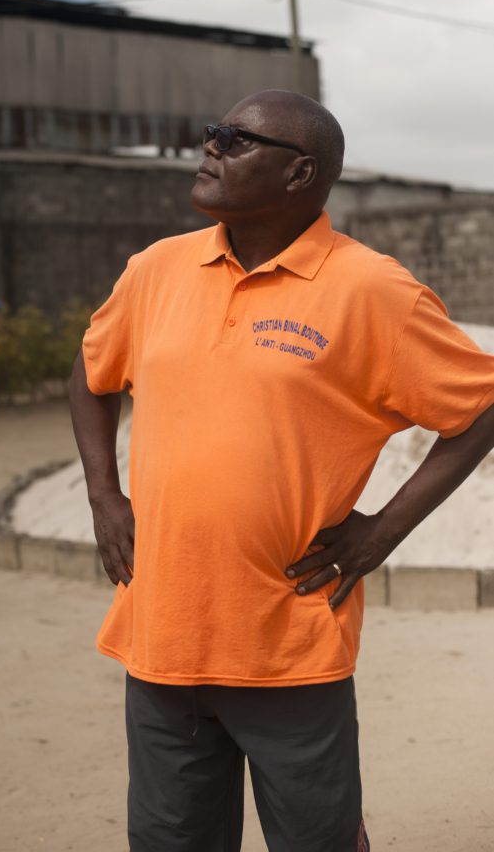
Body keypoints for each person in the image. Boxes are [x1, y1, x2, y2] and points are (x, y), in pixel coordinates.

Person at [68, 89, 494, 852]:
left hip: (287, 639)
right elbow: (91, 373)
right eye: (211, 132)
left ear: (300, 174)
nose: (209, 147)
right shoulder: (157, 270)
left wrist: (383, 533)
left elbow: (480, 406)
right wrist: (103, 494)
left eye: (234, 140)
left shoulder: (372, 291)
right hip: (161, 634)